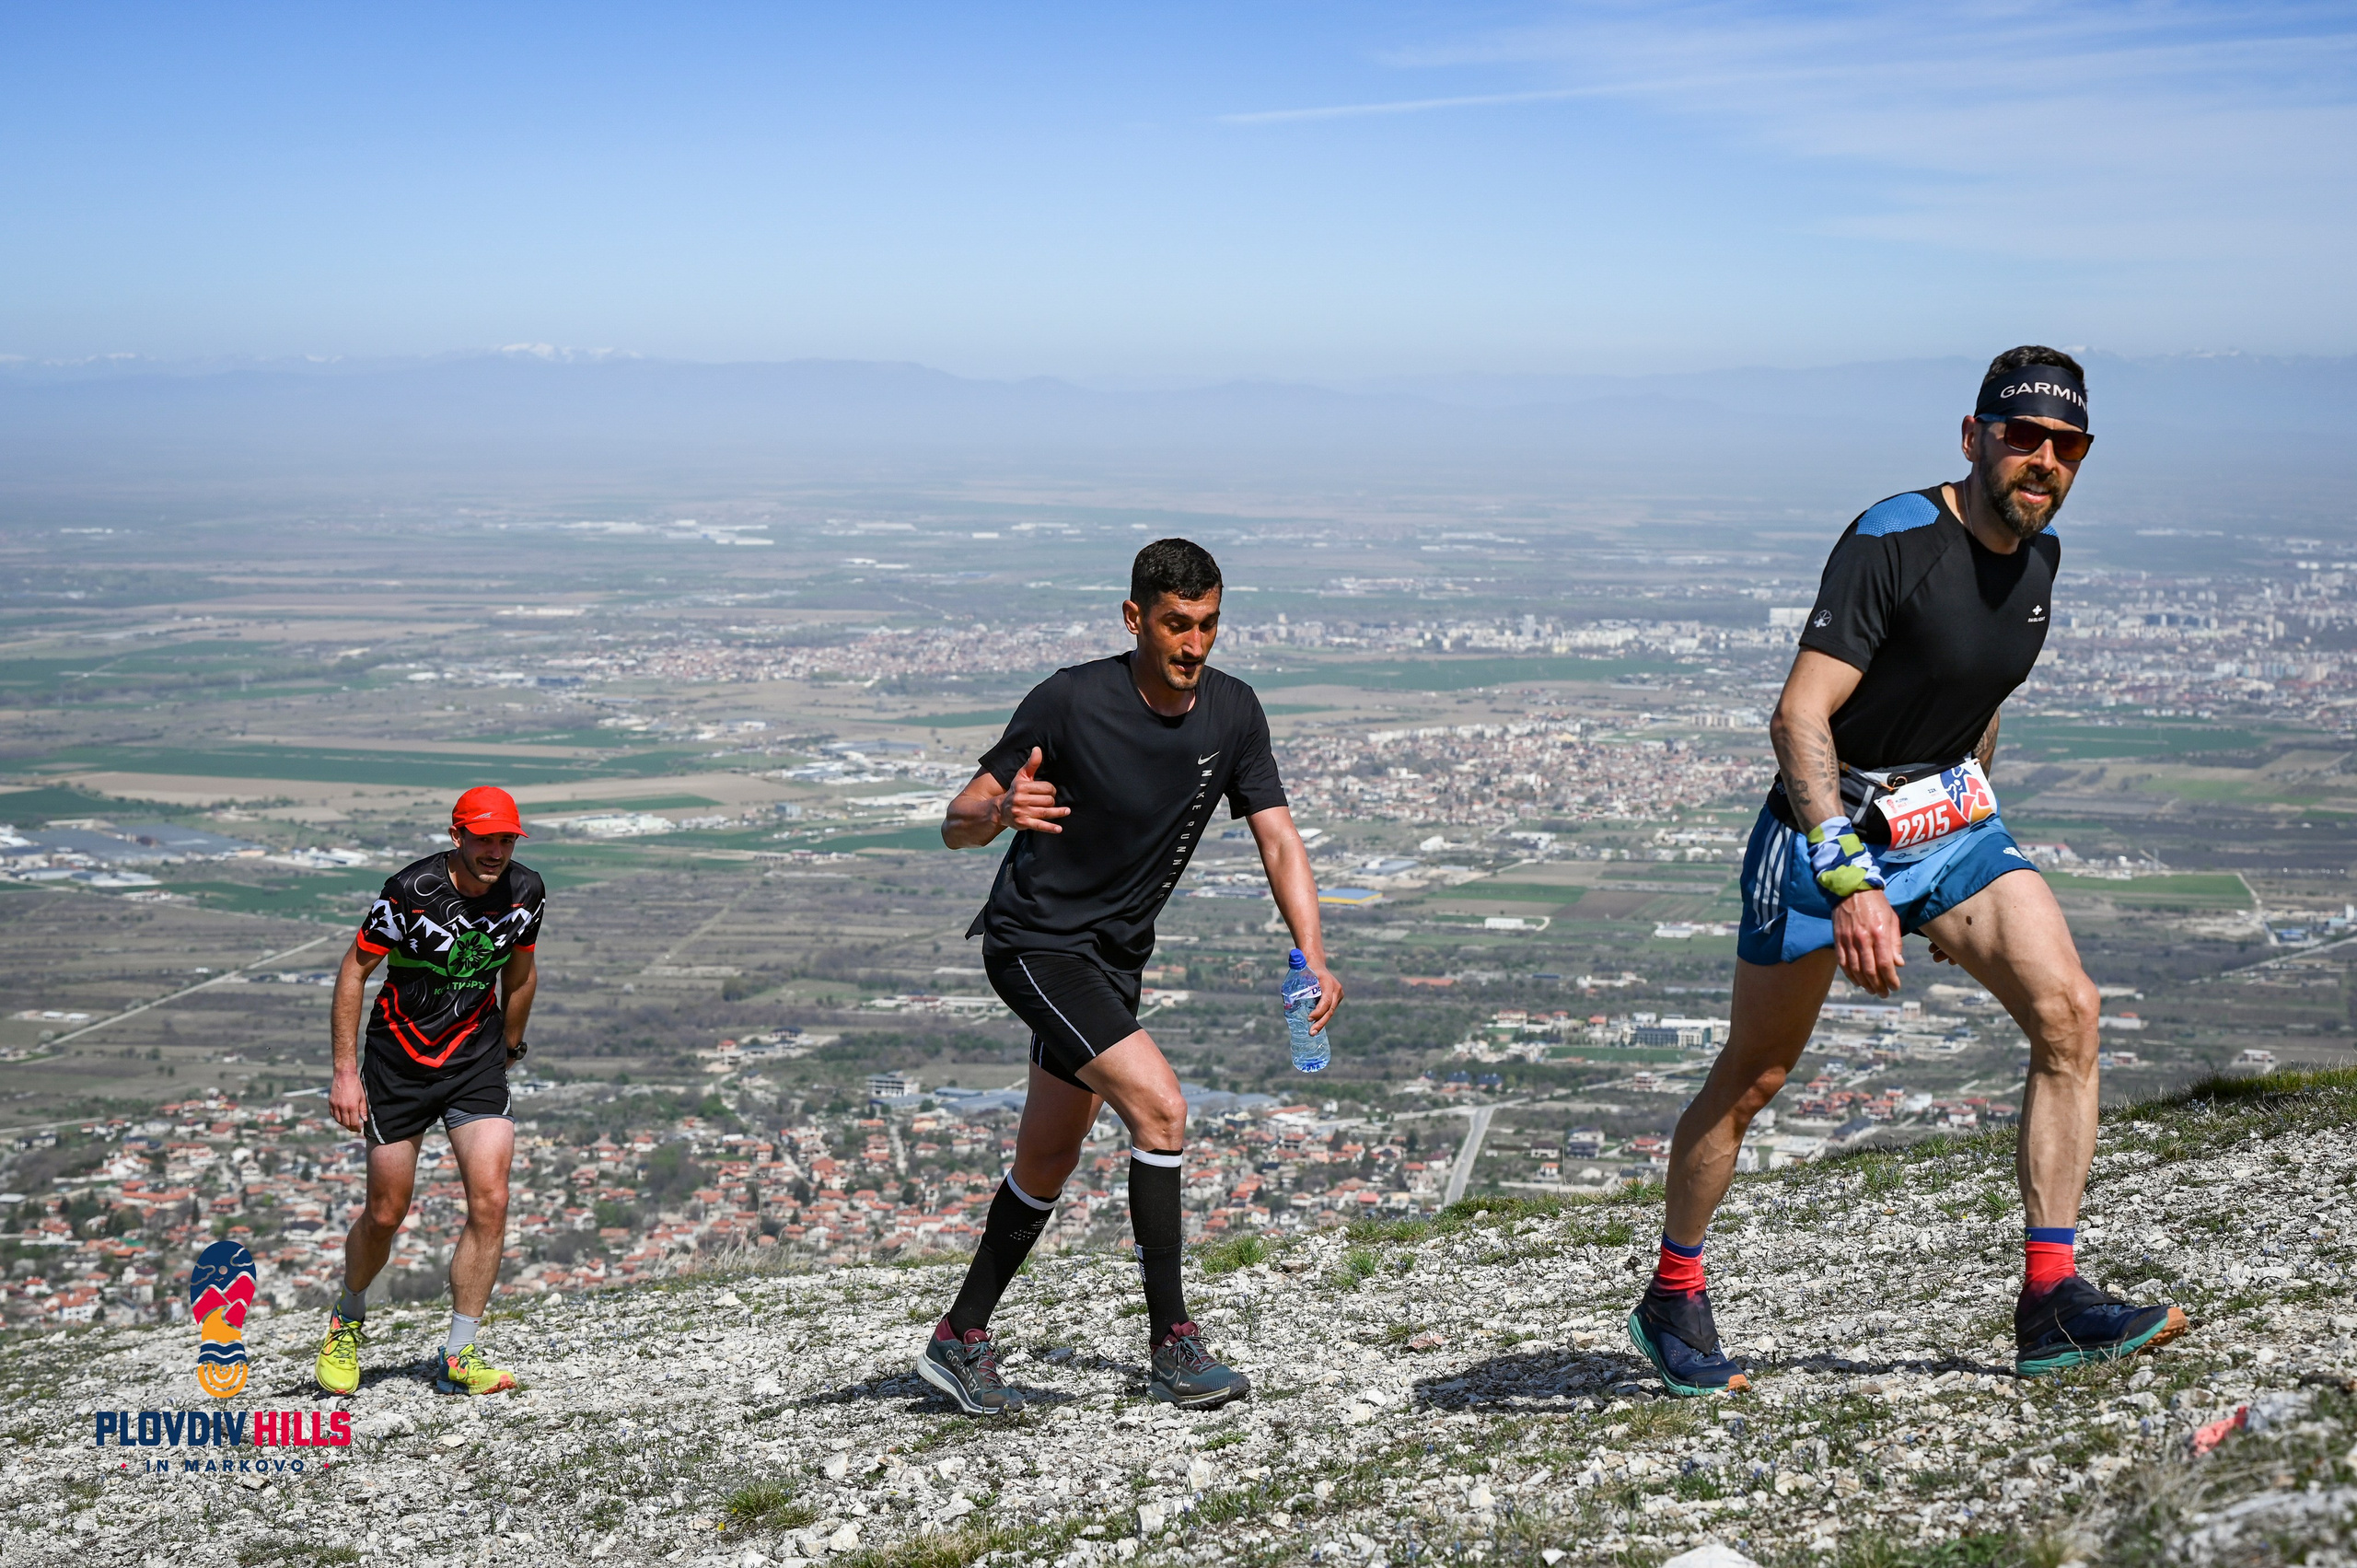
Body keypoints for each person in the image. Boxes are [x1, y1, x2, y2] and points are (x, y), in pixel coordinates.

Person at [1628, 347, 2189, 1394]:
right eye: (2021, 435)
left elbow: (1978, 706)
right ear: (1973, 435)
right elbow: (1798, 716)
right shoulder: (1892, 539)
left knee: (2069, 1011)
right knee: (1755, 1076)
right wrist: (1849, 877)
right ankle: (1672, 1292)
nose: (2042, 459)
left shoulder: (2041, 559)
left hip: (1948, 820)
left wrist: (1967, 838)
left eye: (2065, 445)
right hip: (1824, 825)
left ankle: (2052, 1300)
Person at [915, 538, 1342, 1414]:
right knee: (1162, 1105)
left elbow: (1278, 837)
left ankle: (958, 1338)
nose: (1195, 644)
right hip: (1034, 945)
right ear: (1135, 617)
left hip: (1113, 959)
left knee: (1048, 1154)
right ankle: (1173, 1344)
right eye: (1178, 624)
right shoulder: (1070, 699)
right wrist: (998, 811)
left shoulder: (1233, 713)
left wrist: (1313, 953)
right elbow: (955, 821)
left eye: (1210, 624)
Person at [314, 785, 545, 1398]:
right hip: (400, 1063)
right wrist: (344, 1070)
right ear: (457, 835)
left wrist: (511, 1046)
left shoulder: (526, 891)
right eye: (484, 838)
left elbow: (520, 972)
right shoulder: (410, 891)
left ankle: (460, 1353)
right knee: (387, 1211)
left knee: (491, 1200)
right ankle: (348, 1315)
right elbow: (354, 968)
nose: (496, 850)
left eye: (506, 839)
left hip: (475, 1060)